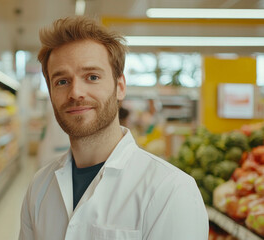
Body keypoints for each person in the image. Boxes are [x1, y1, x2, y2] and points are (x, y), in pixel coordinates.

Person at [19, 16, 208, 240]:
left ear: (120, 87)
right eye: (62, 81)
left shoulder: (170, 190)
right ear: (51, 93)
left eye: (92, 77)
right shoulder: (39, 187)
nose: (76, 92)